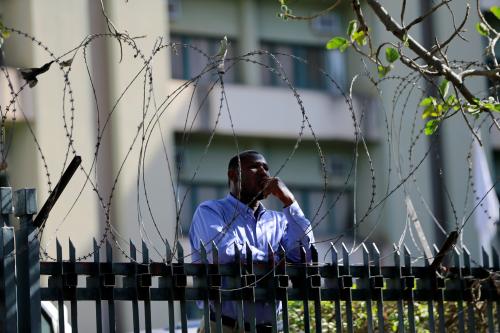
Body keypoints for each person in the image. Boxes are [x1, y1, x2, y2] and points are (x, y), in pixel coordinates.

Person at [189, 150, 314, 333]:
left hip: (268, 328)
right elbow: (223, 252)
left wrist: (290, 202)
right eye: (255, 167)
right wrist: (273, 259)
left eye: (266, 168)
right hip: (224, 326)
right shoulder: (211, 211)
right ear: (233, 175)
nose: (264, 173)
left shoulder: (278, 220)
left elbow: (304, 255)